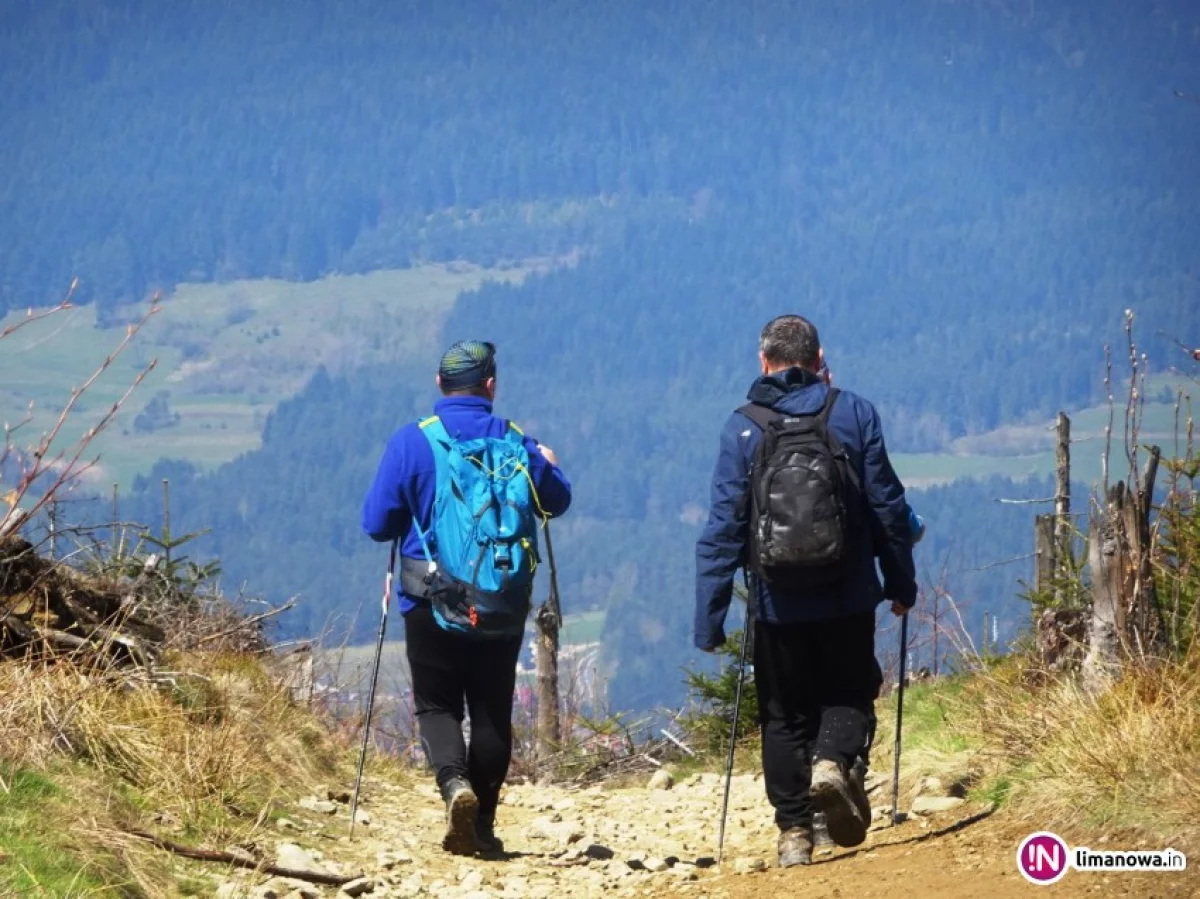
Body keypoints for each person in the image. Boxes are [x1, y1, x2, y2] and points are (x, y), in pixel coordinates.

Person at [694, 315, 917, 868]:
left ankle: (795, 833)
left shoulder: (742, 427)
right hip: (847, 593)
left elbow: (723, 527)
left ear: (763, 361)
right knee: (848, 692)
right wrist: (901, 581)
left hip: (775, 601)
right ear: (819, 359)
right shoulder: (853, 413)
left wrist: (710, 617)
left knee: (783, 714)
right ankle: (831, 764)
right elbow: (887, 507)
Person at [362, 339, 572, 855]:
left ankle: (455, 786)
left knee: (438, 705)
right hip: (499, 600)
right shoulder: (516, 442)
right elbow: (558, 501)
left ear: (439, 384)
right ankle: (485, 825)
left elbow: (376, 524)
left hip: (428, 600)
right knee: (492, 710)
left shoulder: (411, 443)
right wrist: (549, 463)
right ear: (491, 387)